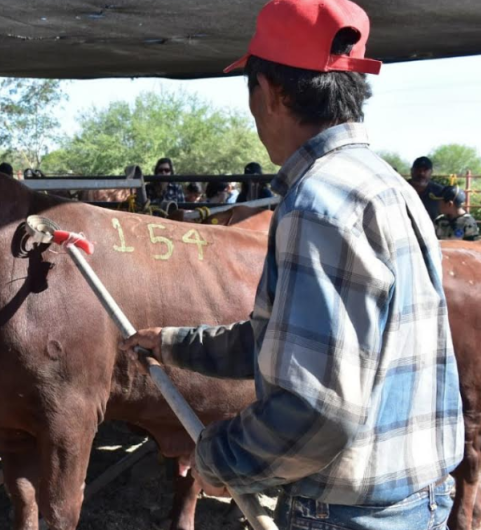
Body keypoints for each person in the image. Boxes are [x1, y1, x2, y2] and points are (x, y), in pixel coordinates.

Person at [119, 1, 462, 529]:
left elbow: (317, 407)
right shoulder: (388, 185)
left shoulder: (317, 203)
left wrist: (223, 458)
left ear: (273, 92)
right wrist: (171, 344)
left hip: (351, 514)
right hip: (421, 496)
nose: (254, 114)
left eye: (252, 92)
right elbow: (301, 344)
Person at [408, 156, 443, 221]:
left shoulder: (440, 192)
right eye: (418, 170)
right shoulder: (401, 188)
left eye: (425, 170)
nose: (421, 173)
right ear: (411, 170)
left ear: (431, 172)